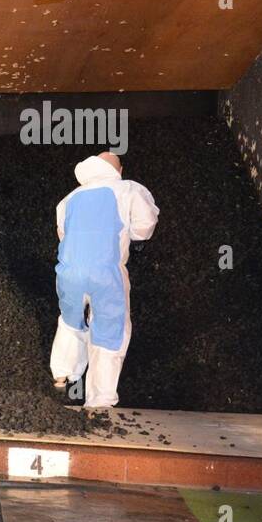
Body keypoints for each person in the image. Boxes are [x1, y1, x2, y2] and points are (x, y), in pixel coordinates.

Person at [49, 152, 158, 408]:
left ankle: (62, 374)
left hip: (69, 272)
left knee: (70, 321)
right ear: (118, 170)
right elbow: (144, 227)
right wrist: (126, 233)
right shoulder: (127, 189)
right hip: (106, 273)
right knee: (109, 330)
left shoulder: (69, 199)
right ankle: (99, 401)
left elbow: (63, 233)